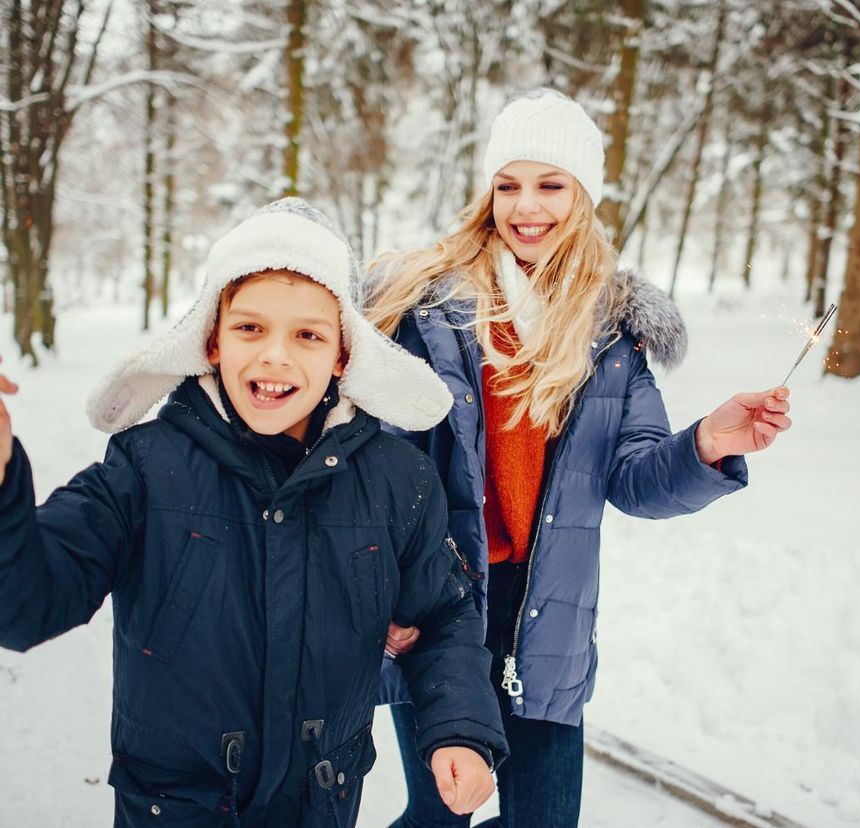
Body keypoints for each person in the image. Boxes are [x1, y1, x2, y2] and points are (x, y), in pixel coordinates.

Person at [0, 198, 508, 827]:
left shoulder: (397, 481)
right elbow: (23, 603)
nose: (275, 356)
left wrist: (459, 727)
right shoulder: (143, 468)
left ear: (343, 356)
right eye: (250, 328)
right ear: (212, 340)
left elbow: (443, 614)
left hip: (319, 808)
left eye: (308, 335)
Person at [364, 89, 793, 828]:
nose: (526, 206)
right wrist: (382, 596)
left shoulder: (613, 334)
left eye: (550, 185)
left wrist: (708, 445)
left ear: (584, 195)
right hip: (439, 610)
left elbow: (635, 477)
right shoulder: (429, 313)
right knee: (438, 818)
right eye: (508, 185)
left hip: (548, 618)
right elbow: (378, 470)